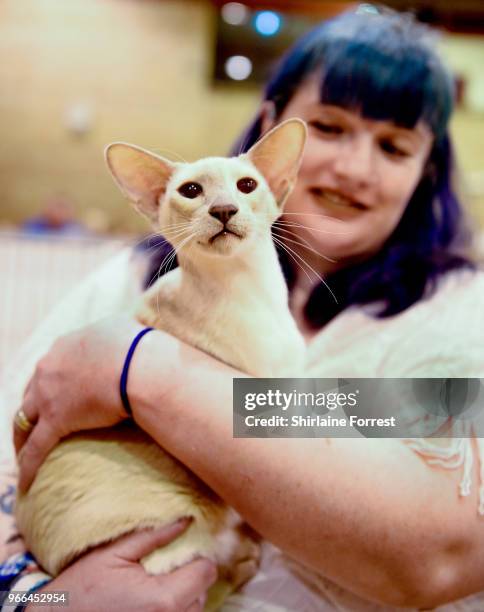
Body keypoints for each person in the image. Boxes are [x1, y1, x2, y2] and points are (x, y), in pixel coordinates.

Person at [2, 5, 484, 610]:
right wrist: (42, 602)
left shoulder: (464, 311)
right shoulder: (132, 277)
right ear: (272, 128)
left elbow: (442, 554)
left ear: (427, 169)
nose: (356, 168)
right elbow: (6, 471)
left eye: (394, 146)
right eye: (330, 128)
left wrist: (138, 368)